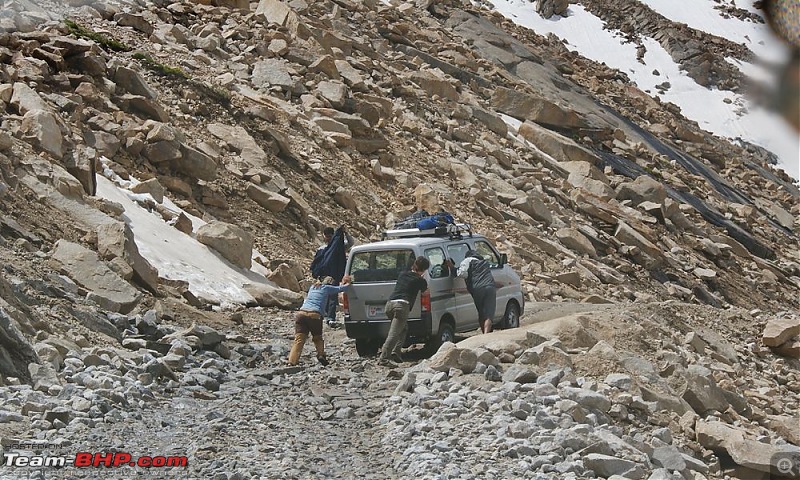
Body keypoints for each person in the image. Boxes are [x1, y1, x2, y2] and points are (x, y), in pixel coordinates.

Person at [287, 275, 352, 366]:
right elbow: (341, 288)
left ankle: (292, 361)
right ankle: (321, 355)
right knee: (317, 338)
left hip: (301, 314)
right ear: (329, 283)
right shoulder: (326, 288)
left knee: (299, 339)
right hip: (315, 315)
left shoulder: (312, 287)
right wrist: (349, 282)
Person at [378, 256, 430, 367]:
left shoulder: (402, 274)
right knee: (394, 333)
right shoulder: (420, 280)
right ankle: (384, 358)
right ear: (423, 270)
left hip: (390, 304)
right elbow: (426, 293)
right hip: (402, 306)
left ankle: (396, 352)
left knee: (403, 328)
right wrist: (424, 280)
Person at [310, 226, 355, 327]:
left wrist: (346, 233)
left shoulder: (338, 246)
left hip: (333, 275)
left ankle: (330, 317)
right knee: (325, 296)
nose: (328, 238)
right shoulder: (322, 249)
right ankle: (325, 315)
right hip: (324, 276)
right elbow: (318, 262)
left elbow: (351, 243)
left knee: (332, 297)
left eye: (330, 236)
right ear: (324, 237)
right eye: (327, 236)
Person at [457, 250, 496, 334]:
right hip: (490, 287)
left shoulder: (467, 260)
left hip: (478, 289)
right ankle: (486, 334)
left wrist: (454, 270)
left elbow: (462, 274)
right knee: (489, 314)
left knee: (481, 312)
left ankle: (484, 334)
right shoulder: (484, 262)